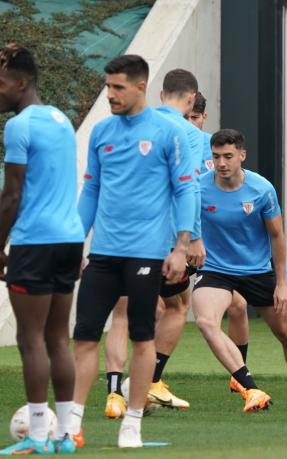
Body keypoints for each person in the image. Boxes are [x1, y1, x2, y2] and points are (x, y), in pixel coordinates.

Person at [69, 54, 196, 448]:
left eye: (118, 87)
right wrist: (76, 240)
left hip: (147, 254)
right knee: (85, 335)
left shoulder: (168, 132)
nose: (110, 94)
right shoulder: (102, 132)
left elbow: (186, 189)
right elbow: (90, 190)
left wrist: (181, 246)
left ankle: (133, 422)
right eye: (108, 87)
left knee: (143, 337)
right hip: (103, 254)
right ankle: (72, 423)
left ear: (141, 87)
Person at [193, 129, 287, 413]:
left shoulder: (261, 189)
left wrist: (282, 284)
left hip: (256, 270)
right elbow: (184, 223)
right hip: (215, 269)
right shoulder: (198, 187)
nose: (221, 163)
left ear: (242, 155)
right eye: (216, 157)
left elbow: (277, 236)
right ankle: (250, 387)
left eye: (228, 156)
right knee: (206, 322)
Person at [103, 68, 206, 418]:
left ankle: (114, 393)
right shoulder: (187, 132)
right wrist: (193, 238)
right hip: (161, 239)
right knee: (177, 306)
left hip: (118, 235)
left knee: (122, 310)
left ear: (160, 95)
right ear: (191, 99)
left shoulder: (129, 125)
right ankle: (146, 383)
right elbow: (189, 188)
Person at [0, 44, 84, 455]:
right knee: (58, 340)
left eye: (0, 84)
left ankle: (37, 435)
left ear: (21, 82)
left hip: (35, 242)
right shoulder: (61, 119)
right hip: (69, 240)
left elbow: (11, 195)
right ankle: (66, 436)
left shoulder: (18, 126)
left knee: (30, 340)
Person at [185, 90, 251, 383]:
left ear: (203, 117)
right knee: (165, 309)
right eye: (185, 117)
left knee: (237, 306)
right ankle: (148, 379)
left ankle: (240, 376)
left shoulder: (214, 148)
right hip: (179, 241)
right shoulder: (170, 142)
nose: (190, 123)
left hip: (210, 248)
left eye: (195, 118)